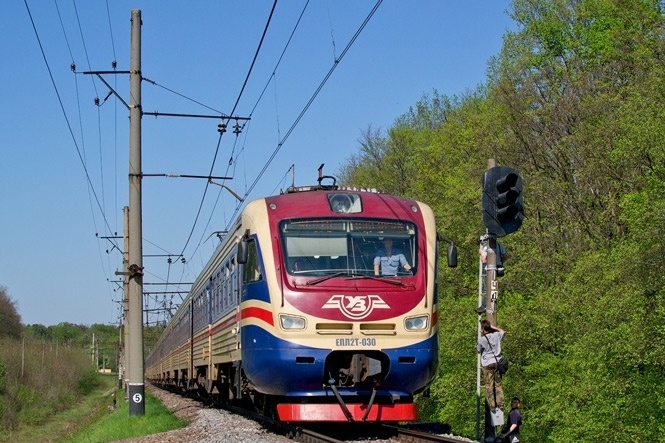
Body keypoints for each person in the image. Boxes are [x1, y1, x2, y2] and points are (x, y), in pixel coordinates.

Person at [476, 319, 505, 411]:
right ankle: (500, 404)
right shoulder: (496, 335)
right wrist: (493, 327)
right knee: (498, 384)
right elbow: (502, 331)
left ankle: (492, 406)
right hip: (497, 362)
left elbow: (478, 350)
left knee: (489, 385)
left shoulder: (481, 340)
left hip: (487, 363)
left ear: (483, 329)